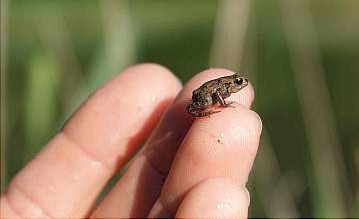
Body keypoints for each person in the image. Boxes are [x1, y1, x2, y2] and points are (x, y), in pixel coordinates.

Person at [0, 64, 262, 218]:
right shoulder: (223, 89)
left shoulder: (225, 85)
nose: (240, 84)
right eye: (238, 82)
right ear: (233, 84)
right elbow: (212, 95)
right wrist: (220, 107)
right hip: (202, 99)